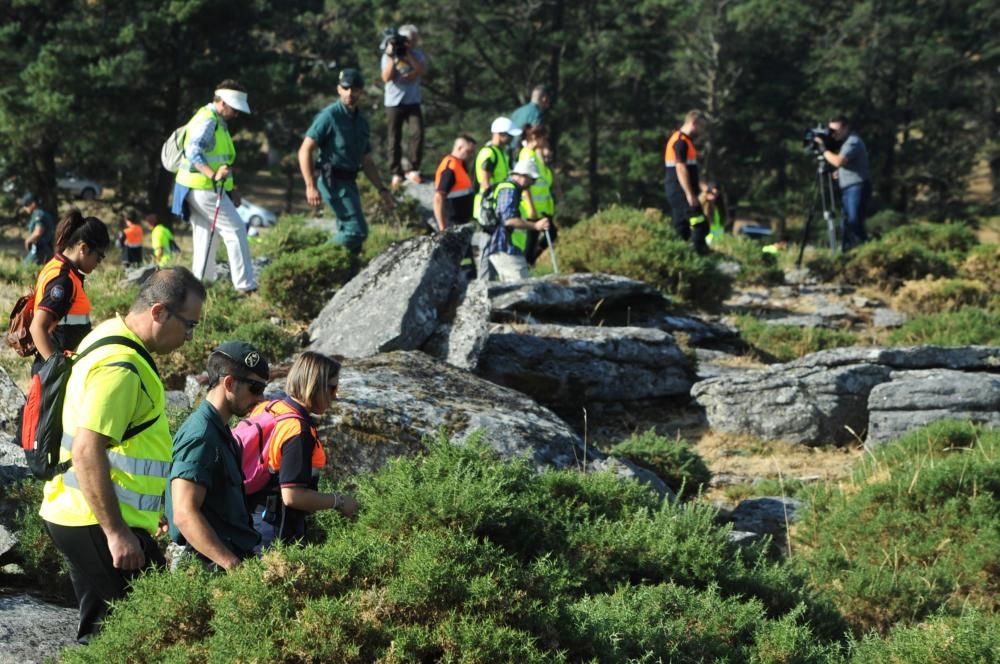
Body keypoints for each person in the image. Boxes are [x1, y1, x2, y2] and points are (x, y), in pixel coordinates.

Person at [38, 267, 206, 643]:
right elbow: (86, 450)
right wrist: (116, 532)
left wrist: (147, 512)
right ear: (159, 311)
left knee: (108, 633)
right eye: (189, 325)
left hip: (85, 514)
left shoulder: (107, 337)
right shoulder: (121, 366)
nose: (190, 337)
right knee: (139, 632)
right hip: (96, 521)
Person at [166, 341, 269, 571]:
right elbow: (184, 513)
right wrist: (232, 565)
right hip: (210, 568)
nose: (261, 398)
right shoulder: (202, 435)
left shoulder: (219, 432)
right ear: (230, 383)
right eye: (255, 388)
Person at [247, 351, 358, 549]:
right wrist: (339, 501)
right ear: (315, 386)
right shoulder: (298, 430)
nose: (335, 395)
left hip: (250, 517)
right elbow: (293, 496)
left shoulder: (271, 407)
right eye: (332, 388)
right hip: (273, 531)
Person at [172, 79, 257, 294]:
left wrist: (231, 188)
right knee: (236, 230)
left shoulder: (213, 119)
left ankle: (200, 288)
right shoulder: (209, 120)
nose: (237, 114)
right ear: (224, 103)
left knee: (205, 236)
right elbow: (194, 151)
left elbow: (220, 160)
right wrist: (214, 175)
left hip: (194, 187)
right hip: (203, 187)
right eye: (235, 109)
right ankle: (245, 286)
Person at [298, 68, 395, 256]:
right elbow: (305, 150)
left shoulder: (361, 121)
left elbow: (366, 160)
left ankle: (345, 277)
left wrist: (382, 189)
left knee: (353, 243)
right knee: (356, 231)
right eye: (346, 88)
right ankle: (314, 259)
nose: (350, 93)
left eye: (355, 89)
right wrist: (310, 186)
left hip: (350, 183)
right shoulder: (329, 116)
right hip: (331, 180)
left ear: (361, 92)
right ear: (339, 89)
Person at [29, 211, 110, 376]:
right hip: (53, 374)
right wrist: (57, 369)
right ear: (84, 248)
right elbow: (37, 327)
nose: (98, 264)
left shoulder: (61, 268)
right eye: (99, 257)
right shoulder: (63, 280)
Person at [480, 158, 551, 282]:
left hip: (502, 245)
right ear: (523, 176)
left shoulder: (510, 189)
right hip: (503, 246)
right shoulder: (509, 190)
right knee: (521, 288)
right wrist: (535, 226)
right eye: (532, 179)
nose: (532, 183)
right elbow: (509, 220)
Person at [381, 24, 428, 188]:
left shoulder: (417, 54)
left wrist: (408, 55)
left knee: (417, 133)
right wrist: (394, 57)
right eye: (410, 40)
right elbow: (386, 77)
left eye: (414, 40)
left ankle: (413, 168)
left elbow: (420, 71)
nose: (413, 43)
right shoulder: (388, 55)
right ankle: (396, 172)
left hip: (413, 100)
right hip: (394, 102)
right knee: (394, 137)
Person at [817, 115, 871, 251]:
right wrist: (839, 173)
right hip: (848, 188)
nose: (833, 134)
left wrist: (823, 150)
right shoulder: (845, 143)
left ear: (846, 128)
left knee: (854, 222)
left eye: (837, 130)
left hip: (856, 187)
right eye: (831, 130)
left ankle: (867, 250)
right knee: (846, 224)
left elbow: (838, 161)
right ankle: (848, 252)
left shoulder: (853, 141)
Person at [663, 110, 709, 254]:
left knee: (681, 227)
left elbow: (690, 168)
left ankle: (678, 255)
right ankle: (698, 254)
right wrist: (690, 194)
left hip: (679, 191)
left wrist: (701, 185)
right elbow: (680, 167)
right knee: (700, 224)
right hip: (681, 192)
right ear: (693, 123)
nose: (702, 131)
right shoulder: (680, 141)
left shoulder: (685, 141)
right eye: (702, 127)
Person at [513, 125, 558, 265]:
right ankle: (527, 263)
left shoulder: (535, 155)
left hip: (542, 208)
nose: (545, 142)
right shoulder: (527, 154)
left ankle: (529, 262)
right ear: (535, 138)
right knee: (531, 240)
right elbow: (525, 182)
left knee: (545, 235)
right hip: (532, 208)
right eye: (543, 138)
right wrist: (531, 207)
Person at [473, 117, 522, 221]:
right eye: (510, 135)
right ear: (501, 134)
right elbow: (485, 183)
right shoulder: (489, 153)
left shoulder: (501, 152)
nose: (512, 139)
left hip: (497, 204)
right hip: (488, 208)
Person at [432, 134, 477, 232]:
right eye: (469, 151)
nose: (471, 155)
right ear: (459, 148)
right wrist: (443, 229)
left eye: (473, 152)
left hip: (462, 222)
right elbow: (438, 198)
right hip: (452, 224)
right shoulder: (450, 167)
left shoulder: (460, 164)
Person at [21, 193, 55, 266]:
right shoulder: (41, 213)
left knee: (26, 267)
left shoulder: (38, 214)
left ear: (33, 204)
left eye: (26, 205)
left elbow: (39, 231)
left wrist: (28, 240)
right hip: (44, 249)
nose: (25, 208)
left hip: (41, 249)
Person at [699, 182, 727, 246]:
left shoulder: (719, 206)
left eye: (716, 194)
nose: (714, 196)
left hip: (717, 237)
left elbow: (723, 220)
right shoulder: (701, 203)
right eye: (712, 193)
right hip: (705, 236)